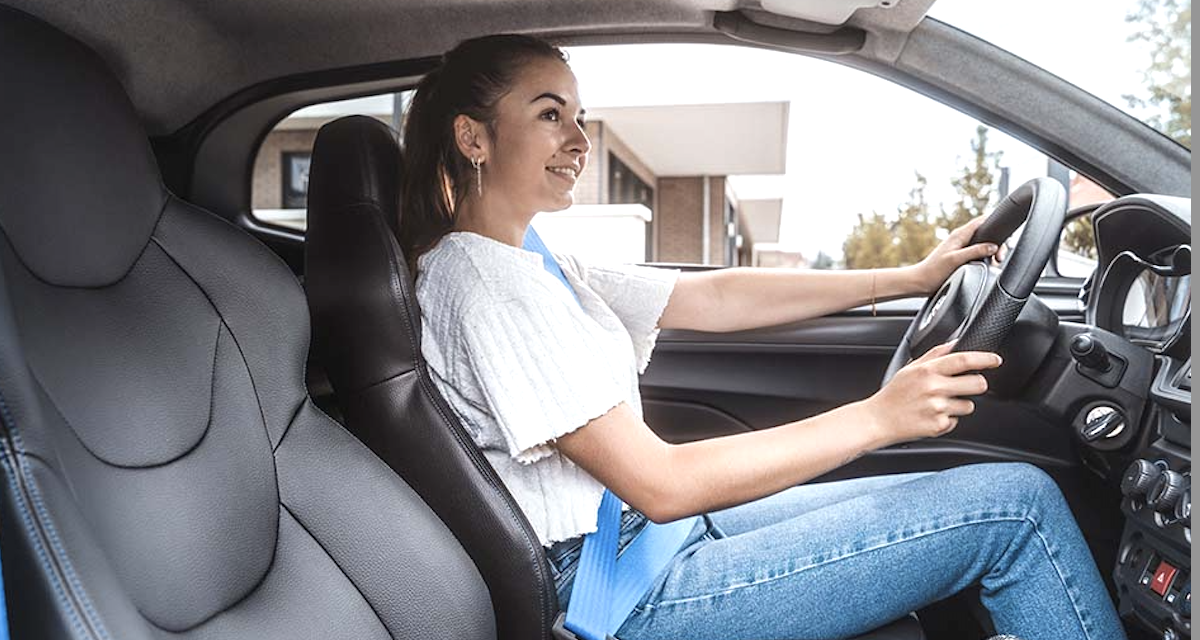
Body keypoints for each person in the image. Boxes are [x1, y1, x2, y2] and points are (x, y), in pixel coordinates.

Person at [400, 34, 1128, 640]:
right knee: (1014, 507)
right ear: (474, 137)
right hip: (621, 594)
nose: (581, 140)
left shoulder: (530, 259)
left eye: (580, 116)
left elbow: (713, 294)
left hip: (639, 547)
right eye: (551, 115)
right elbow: (660, 483)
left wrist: (909, 277)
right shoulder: (485, 284)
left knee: (983, 494)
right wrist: (877, 418)